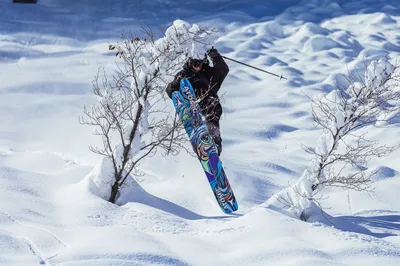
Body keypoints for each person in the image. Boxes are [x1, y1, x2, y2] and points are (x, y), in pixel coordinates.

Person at [166, 48, 229, 156]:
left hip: (209, 104)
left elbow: (223, 70)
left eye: (199, 63)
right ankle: (198, 137)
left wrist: (216, 57)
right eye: (194, 63)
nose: (197, 66)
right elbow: (170, 91)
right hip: (192, 105)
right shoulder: (183, 74)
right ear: (189, 61)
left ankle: (214, 142)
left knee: (212, 107)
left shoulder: (209, 73)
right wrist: (176, 83)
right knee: (197, 108)